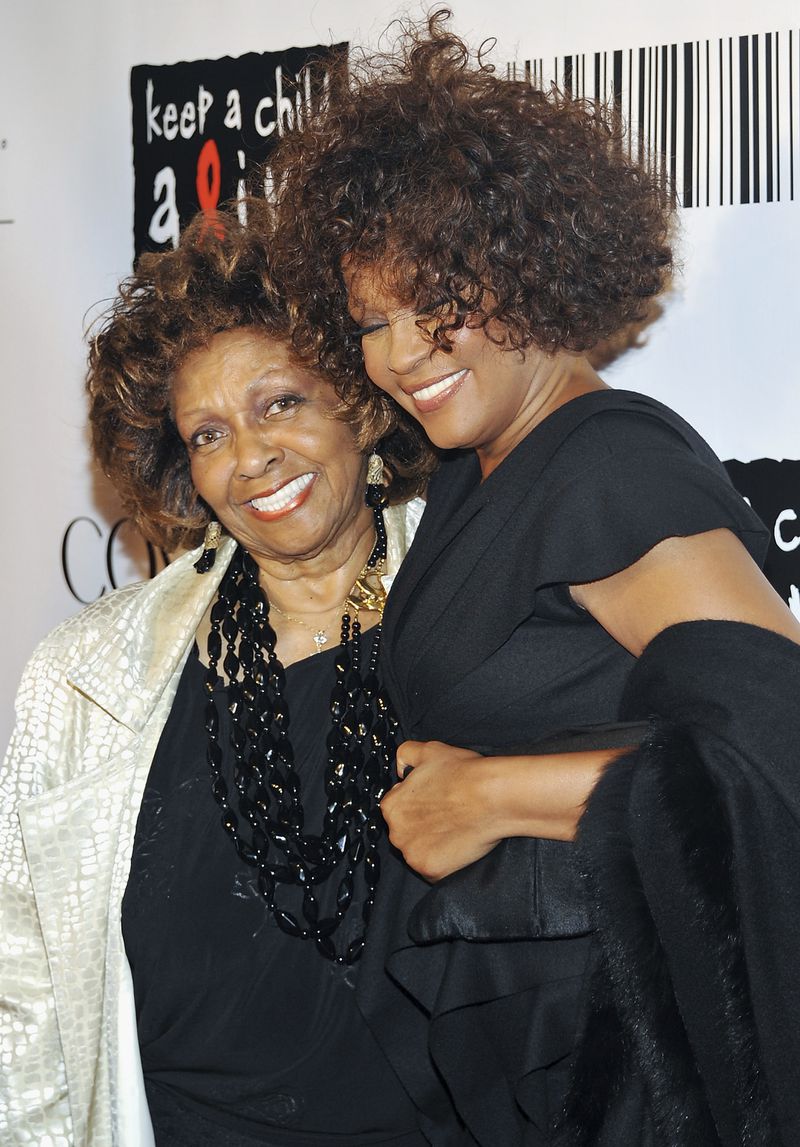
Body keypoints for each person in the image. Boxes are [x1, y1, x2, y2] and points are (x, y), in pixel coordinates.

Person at [271, 12, 800, 1145]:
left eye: (440, 300)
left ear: (529, 265)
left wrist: (490, 794)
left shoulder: (604, 465)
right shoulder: (478, 467)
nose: (402, 352)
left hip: (638, 1057)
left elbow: (781, 746)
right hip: (542, 1049)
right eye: (372, 320)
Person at [0, 206, 435, 1146]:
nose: (251, 457)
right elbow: (25, 996)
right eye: (207, 433)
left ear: (359, 404)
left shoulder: (474, 608)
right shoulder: (88, 681)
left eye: (280, 402)